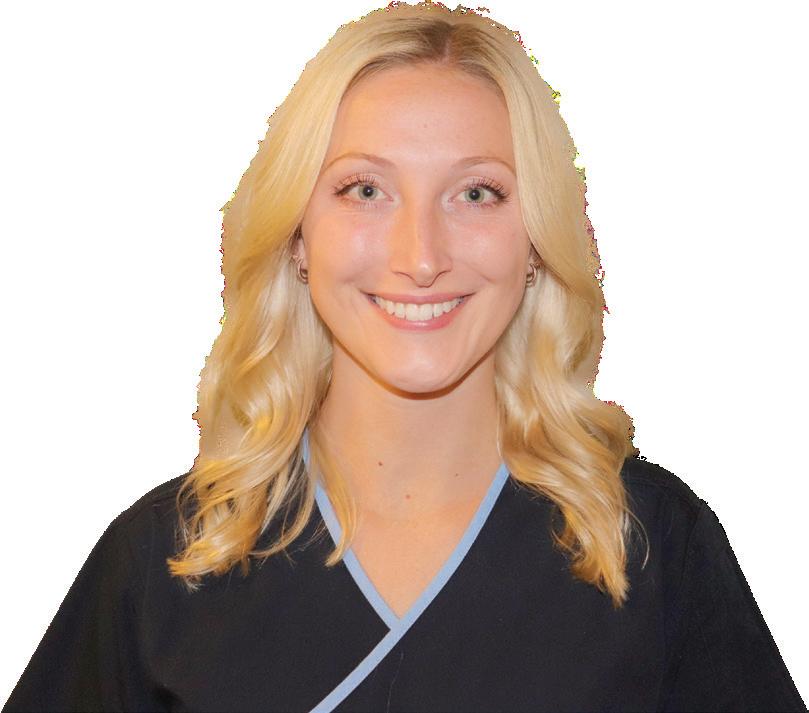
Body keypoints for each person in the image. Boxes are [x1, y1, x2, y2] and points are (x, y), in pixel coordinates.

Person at [3, 2, 806, 712]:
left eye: (476, 193)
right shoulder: (165, 560)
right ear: (296, 237)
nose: (420, 256)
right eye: (364, 190)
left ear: (536, 241)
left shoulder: (653, 547)